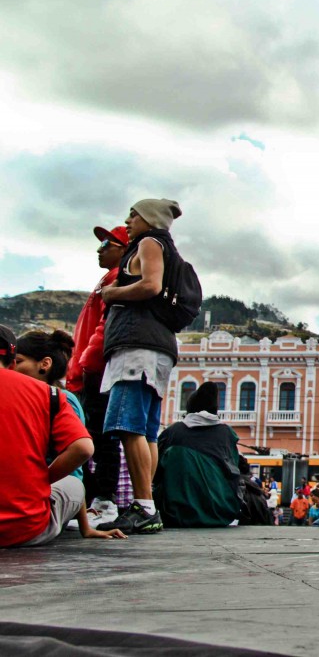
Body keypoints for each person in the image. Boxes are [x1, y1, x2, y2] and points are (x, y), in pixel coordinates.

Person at [98, 198, 186, 535]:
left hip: (137, 348)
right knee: (146, 430)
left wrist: (112, 293)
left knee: (128, 425)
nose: (128, 219)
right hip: (157, 347)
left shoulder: (149, 242)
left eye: (133, 213)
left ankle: (144, 506)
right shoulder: (166, 247)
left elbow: (151, 284)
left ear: (149, 218)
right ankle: (145, 503)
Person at [0, 325, 126, 547]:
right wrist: (42, 479)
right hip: (24, 528)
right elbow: (83, 449)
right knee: (73, 485)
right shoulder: (51, 396)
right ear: (11, 362)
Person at [66, 224, 132, 529]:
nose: (99, 248)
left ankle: (103, 501)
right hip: (86, 371)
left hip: (93, 372)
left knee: (101, 439)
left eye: (107, 243)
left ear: (122, 248)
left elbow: (105, 326)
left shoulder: (115, 278)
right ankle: (95, 502)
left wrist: (86, 364)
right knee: (92, 437)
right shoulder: (105, 279)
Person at [153, 381, 243, 527]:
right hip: (221, 513)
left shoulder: (172, 432)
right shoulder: (227, 433)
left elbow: (155, 472)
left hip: (177, 514)